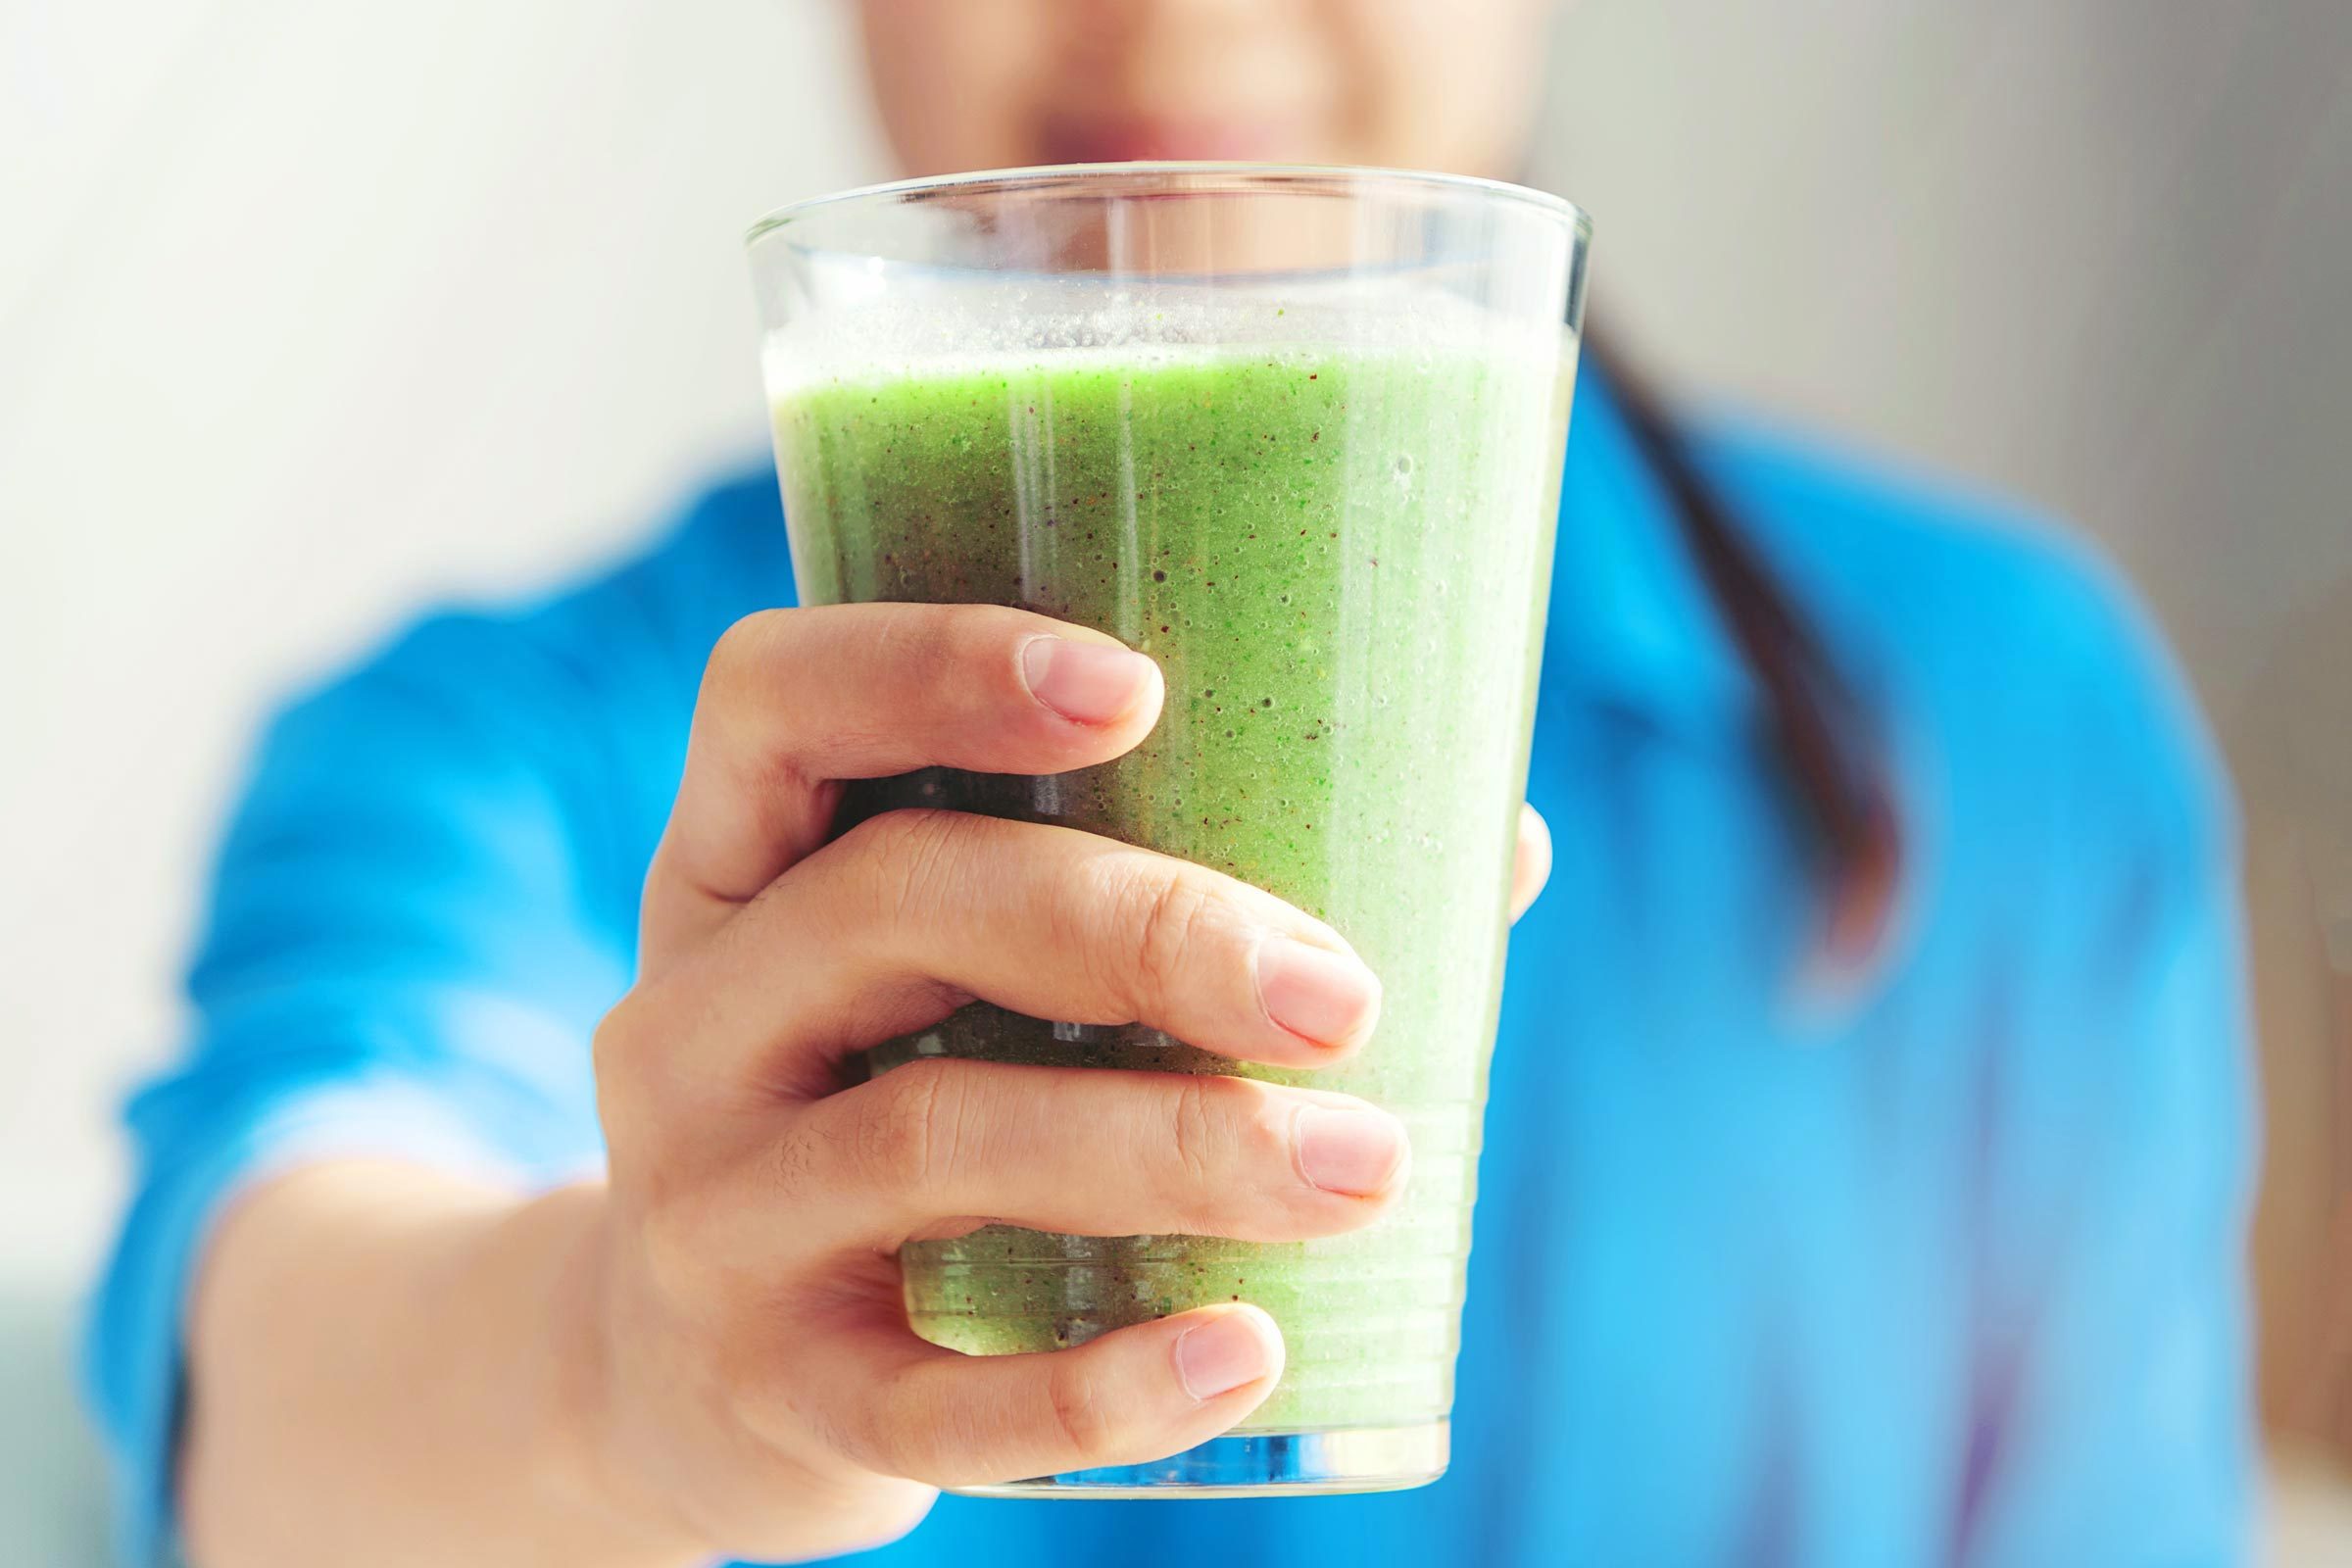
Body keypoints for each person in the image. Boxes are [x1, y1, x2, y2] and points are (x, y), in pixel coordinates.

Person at [86, 2, 2255, 1564]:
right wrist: (620, 1377)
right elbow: (281, 1368)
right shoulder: (510, 752)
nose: (1175, 11)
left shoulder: (2000, 729)